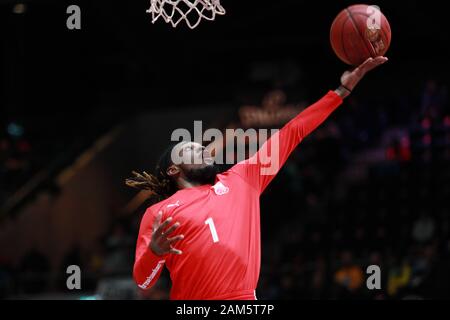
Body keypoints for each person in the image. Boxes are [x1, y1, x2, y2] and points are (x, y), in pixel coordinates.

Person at [125, 57, 388, 300]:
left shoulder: (241, 179)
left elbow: (291, 132)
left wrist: (340, 92)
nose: (202, 148)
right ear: (174, 170)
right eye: (190, 149)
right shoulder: (159, 213)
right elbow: (145, 282)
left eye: (201, 145)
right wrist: (155, 253)